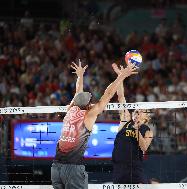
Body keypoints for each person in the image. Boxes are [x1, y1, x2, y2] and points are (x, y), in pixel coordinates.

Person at [51, 60, 137, 189]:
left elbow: (77, 93)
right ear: (87, 105)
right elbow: (107, 95)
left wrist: (80, 76)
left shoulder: (70, 110)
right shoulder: (88, 115)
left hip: (55, 168)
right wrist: (122, 76)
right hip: (72, 169)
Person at [111, 63, 154, 184]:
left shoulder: (148, 130)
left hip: (135, 169)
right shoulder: (126, 119)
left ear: (147, 117)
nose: (138, 111)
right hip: (119, 168)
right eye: (137, 110)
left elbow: (144, 147)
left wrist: (136, 130)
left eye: (142, 111)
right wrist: (120, 76)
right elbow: (121, 97)